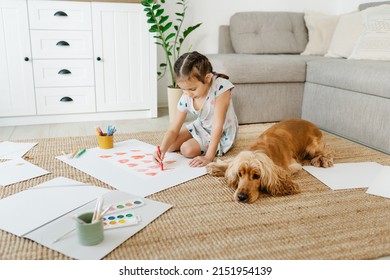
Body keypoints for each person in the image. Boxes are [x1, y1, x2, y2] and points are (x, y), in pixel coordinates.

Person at [154, 51, 238, 167]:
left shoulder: (221, 87)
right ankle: (197, 140)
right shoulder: (187, 96)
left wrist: (209, 157)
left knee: (187, 149)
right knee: (169, 146)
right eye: (183, 89)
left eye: (192, 89)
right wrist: (161, 150)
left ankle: (201, 143)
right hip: (201, 126)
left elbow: (217, 125)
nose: (187, 94)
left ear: (207, 78)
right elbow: (173, 129)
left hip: (221, 132)